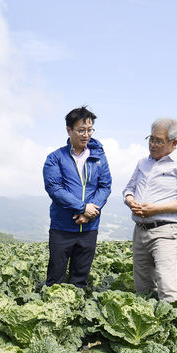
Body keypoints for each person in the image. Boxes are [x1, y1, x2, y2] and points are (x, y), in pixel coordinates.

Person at [122, 118, 177, 302]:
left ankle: (176, 321)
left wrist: (156, 209)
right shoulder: (143, 163)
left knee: (167, 284)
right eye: (151, 139)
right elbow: (128, 189)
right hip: (140, 230)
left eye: (158, 140)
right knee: (143, 285)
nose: (153, 144)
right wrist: (130, 200)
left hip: (166, 230)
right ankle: (152, 324)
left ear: (174, 143)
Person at [43, 106, 112, 288]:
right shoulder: (55, 158)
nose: (86, 135)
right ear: (69, 130)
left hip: (89, 228)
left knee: (80, 279)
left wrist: (90, 211)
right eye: (81, 130)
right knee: (55, 279)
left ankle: (76, 314)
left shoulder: (98, 157)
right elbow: (55, 189)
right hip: (62, 228)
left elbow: (105, 186)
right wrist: (82, 207)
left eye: (90, 130)